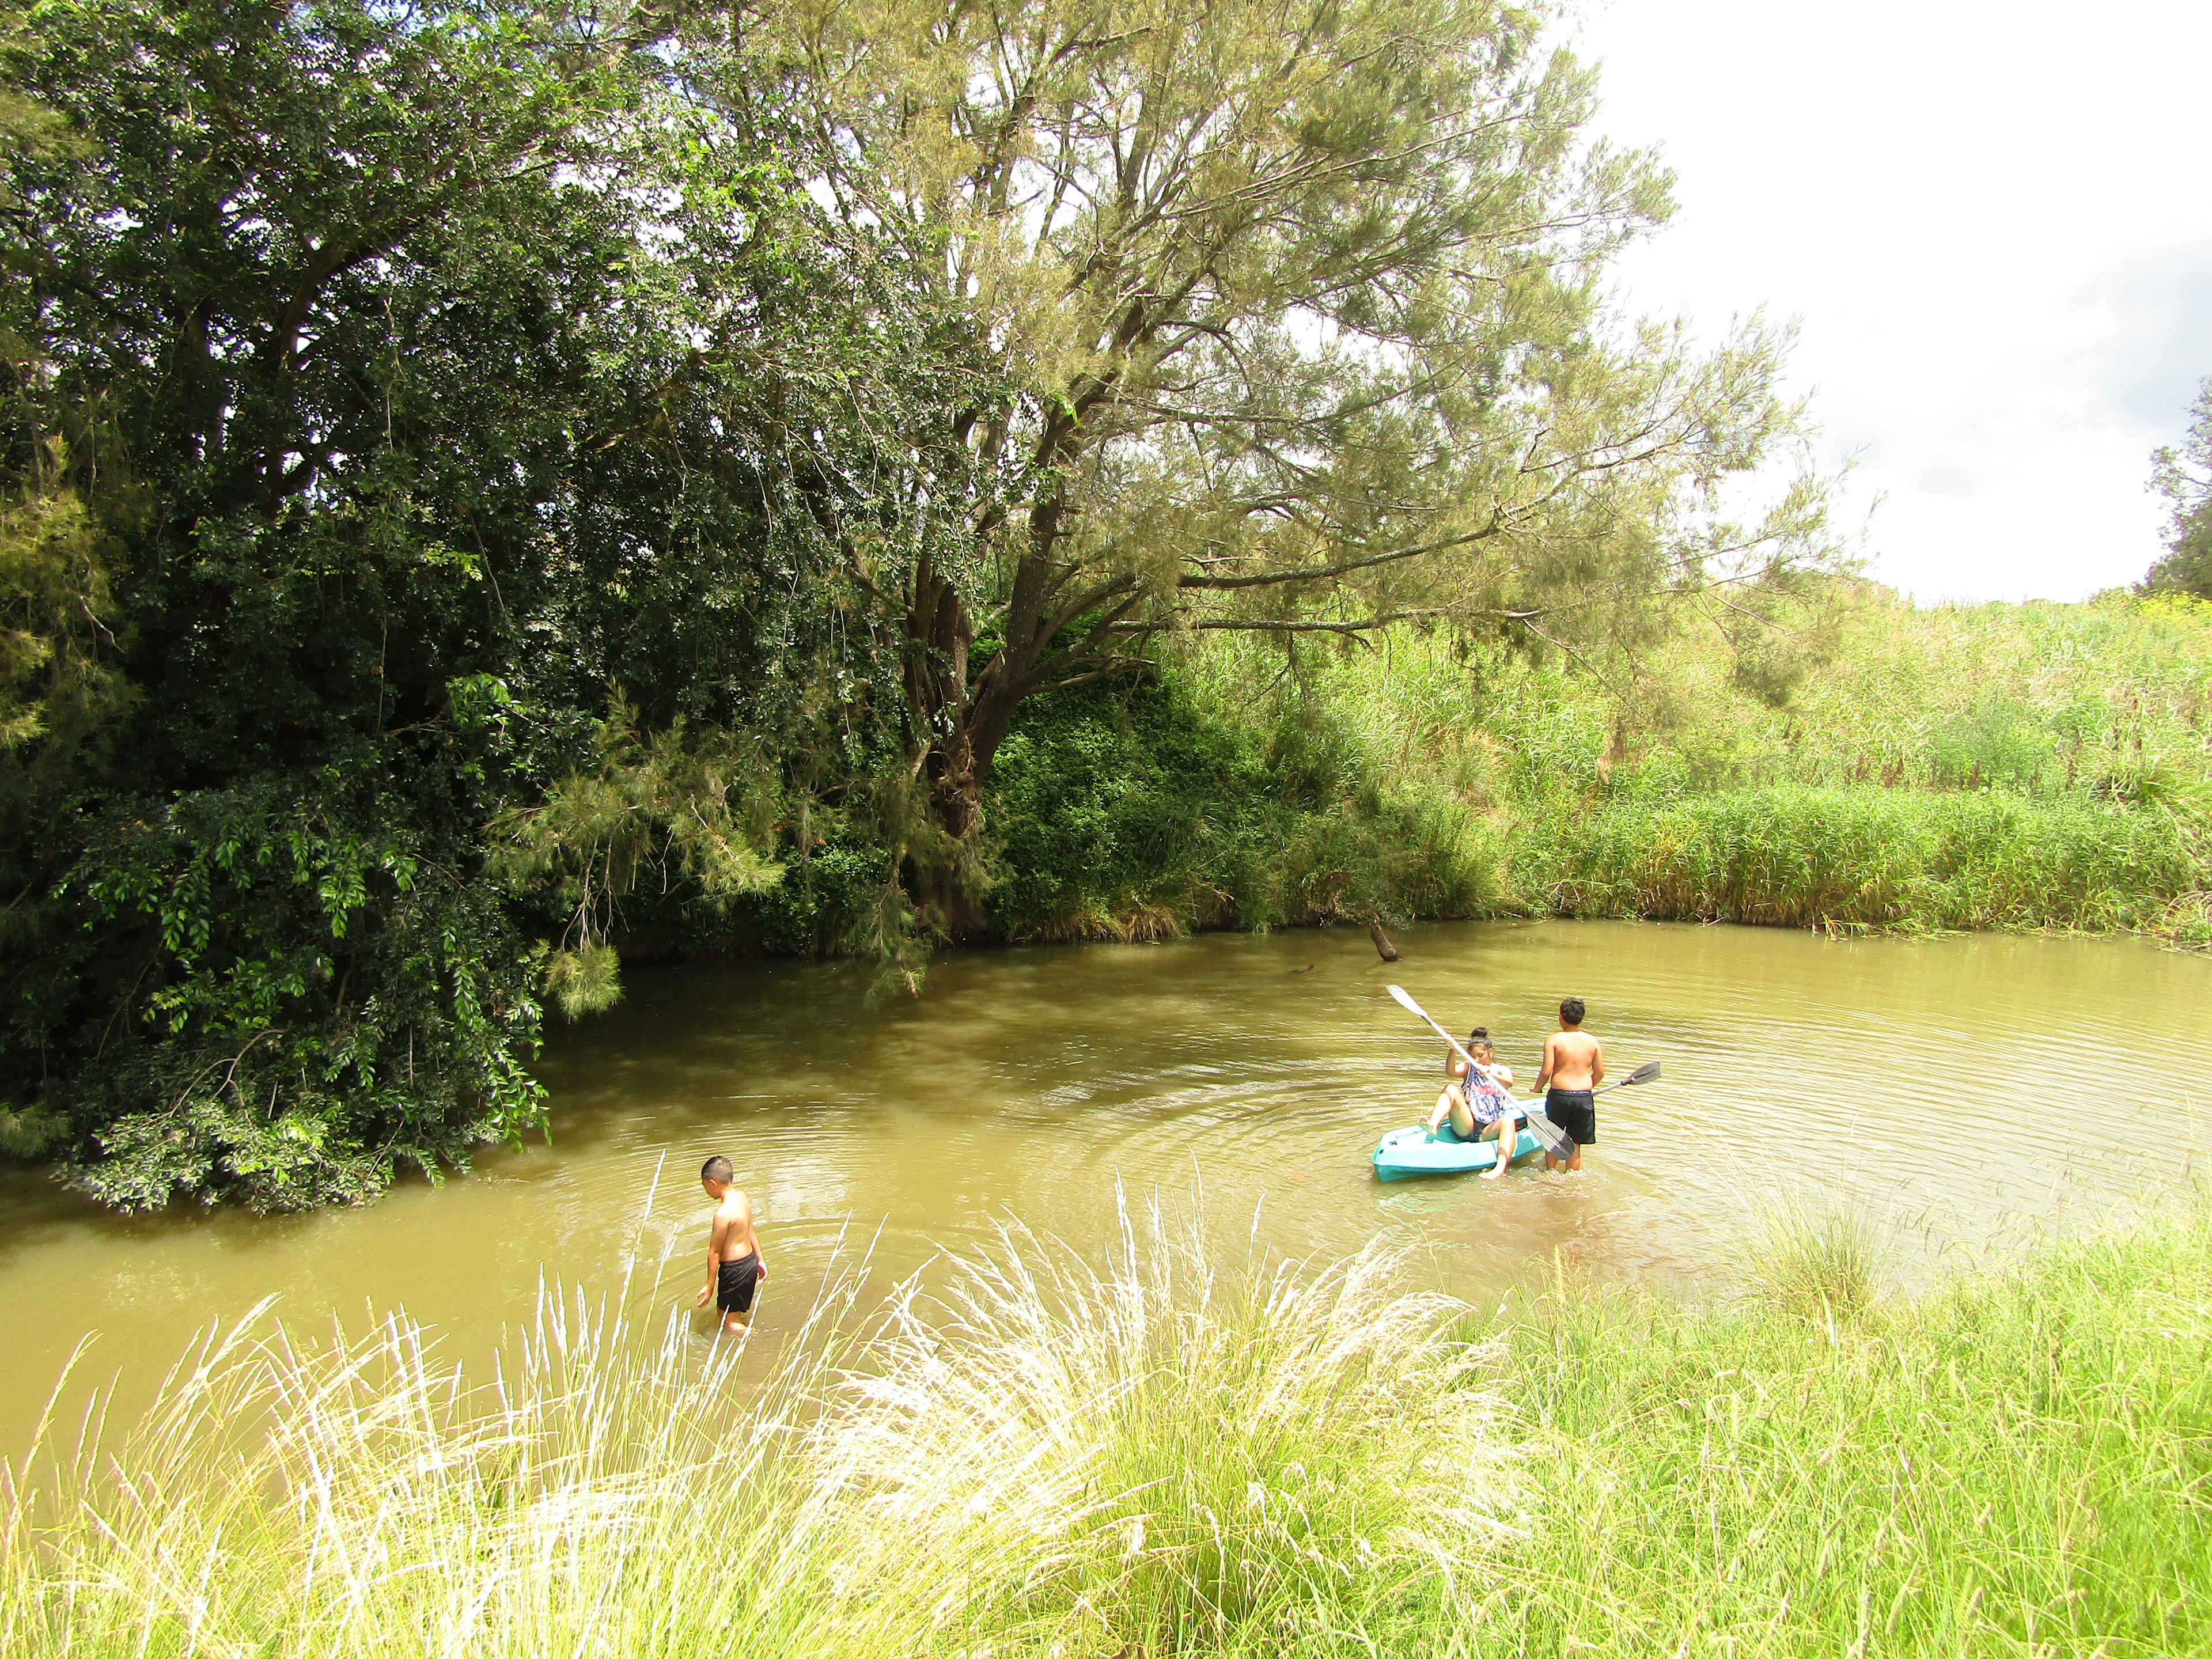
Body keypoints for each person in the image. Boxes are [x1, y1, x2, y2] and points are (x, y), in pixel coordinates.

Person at [1425, 1027, 1524, 1180]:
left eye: (1480, 1055)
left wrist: (1489, 1072)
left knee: (1509, 1122)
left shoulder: (1501, 1070)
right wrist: (1452, 1050)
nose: (1476, 1060)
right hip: (1468, 1124)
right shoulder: (1469, 1068)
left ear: (1491, 1053)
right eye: (1472, 1056)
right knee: (1451, 1088)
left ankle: (1499, 1169)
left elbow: (1509, 1083)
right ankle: (1433, 1123)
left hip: (1489, 1129)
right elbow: (1450, 1071)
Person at [694, 1154, 767, 1335]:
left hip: (735, 1270)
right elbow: (750, 1229)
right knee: (726, 1313)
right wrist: (760, 1259)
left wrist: (709, 1287)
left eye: (705, 1187)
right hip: (749, 1262)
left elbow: (715, 1252)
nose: (706, 1191)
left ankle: (758, 1339)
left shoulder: (723, 1213)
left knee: (731, 1322)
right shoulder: (742, 1197)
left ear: (713, 1183)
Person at [1530, 997, 1604, 1172]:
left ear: (1561, 1016)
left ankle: (1550, 1173)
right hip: (1583, 1097)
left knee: (1553, 1137)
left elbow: (1546, 1071)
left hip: (1560, 1095)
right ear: (1582, 1018)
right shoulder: (1593, 1041)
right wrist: (1587, 1086)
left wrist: (1537, 1088)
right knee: (1576, 1143)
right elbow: (1600, 1073)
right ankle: (1572, 1176)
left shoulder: (1553, 1040)